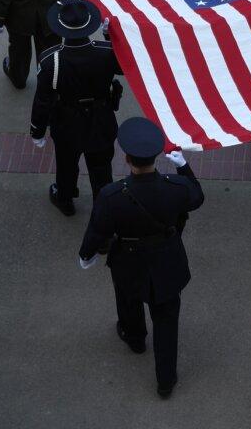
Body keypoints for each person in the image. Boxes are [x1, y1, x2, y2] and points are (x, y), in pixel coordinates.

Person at [78, 117, 205, 398]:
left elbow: (98, 229)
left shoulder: (112, 195)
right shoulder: (176, 188)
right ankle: (165, 380)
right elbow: (197, 196)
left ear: (126, 158)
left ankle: (135, 339)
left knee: (128, 299)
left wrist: (86, 255)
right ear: (158, 156)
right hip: (167, 261)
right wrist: (183, 165)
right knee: (166, 321)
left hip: (128, 259)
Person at [30, 0, 122, 216]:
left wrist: (37, 130)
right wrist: (111, 36)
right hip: (101, 118)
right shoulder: (105, 51)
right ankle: (104, 212)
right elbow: (125, 66)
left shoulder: (51, 60)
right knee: (101, 168)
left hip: (67, 121)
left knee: (66, 164)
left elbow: (43, 100)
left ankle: (65, 199)